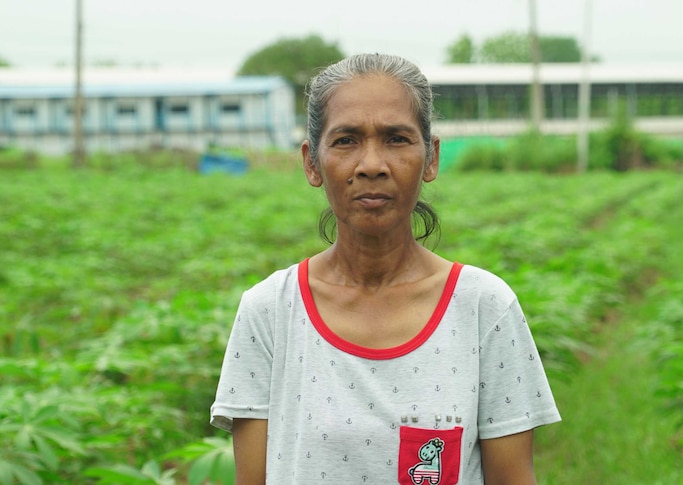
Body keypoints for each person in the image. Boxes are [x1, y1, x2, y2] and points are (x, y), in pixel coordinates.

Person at [210, 53, 561, 485]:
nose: (371, 164)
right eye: (346, 140)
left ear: (431, 158)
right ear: (311, 162)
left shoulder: (484, 308)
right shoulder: (270, 312)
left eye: (396, 139)